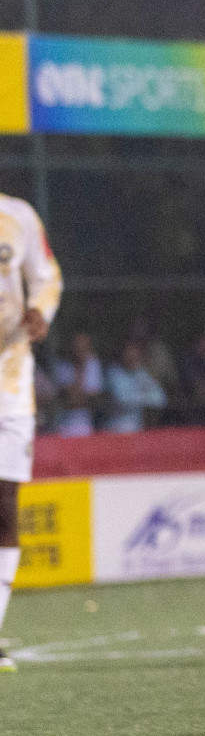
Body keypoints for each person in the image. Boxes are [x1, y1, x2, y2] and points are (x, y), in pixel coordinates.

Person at [0, 193, 62, 672]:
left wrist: (40, 309)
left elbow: (48, 276)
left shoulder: (16, 216)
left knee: (4, 507)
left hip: (11, 379)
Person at [104, 340, 169, 433]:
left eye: (135, 355)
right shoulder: (113, 373)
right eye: (129, 355)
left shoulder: (142, 373)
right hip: (116, 427)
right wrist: (145, 397)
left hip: (137, 428)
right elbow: (123, 400)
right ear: (123, 355)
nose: (132, 358)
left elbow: (160, 399)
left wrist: (137, 397)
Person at [51, 331, 102, 437]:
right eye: (77, 347)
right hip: (63, 425)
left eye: (84, 347)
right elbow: (69, 399)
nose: (80, 350)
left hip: (87, 425)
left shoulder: (93, 364)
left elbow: (95, 400)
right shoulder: (61, 366)